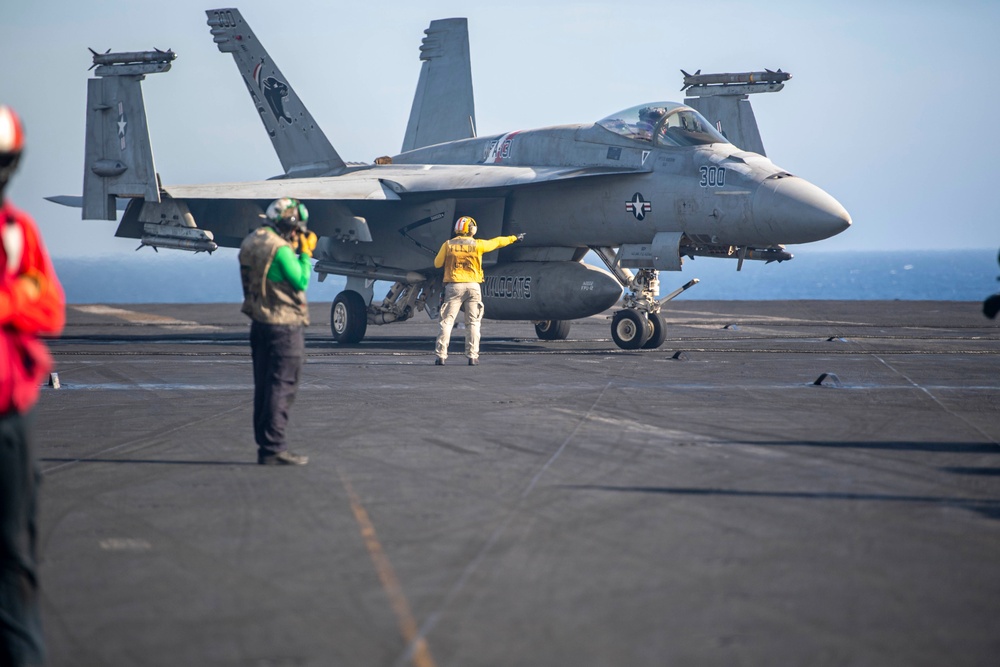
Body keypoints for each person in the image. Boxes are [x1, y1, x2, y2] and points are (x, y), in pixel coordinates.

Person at [0, 105, 65, 667]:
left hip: (9, 422)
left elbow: (50, 307)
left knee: (15, 564)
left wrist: (10, 300)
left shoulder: (19, 233)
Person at [239, 197, 317, 465]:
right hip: (284, 327)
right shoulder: (281, 249)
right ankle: (274, 448)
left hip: (260, 323)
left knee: (263, 386)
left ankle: (265, 445)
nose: (297, 233)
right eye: (296, 228)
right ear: (289, 223)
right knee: (282, 386)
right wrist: (305, 254)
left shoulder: (252, 241)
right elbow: (300, 280)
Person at [433, 216, 523, 365]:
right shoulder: (478, 245)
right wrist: (514, 238)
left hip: (454, 286)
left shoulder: (448, 245)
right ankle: (472, 357)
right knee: (473, 323)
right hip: (473, 287)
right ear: (472, 229)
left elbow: (437, 264)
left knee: (447, 322)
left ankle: (441, 356)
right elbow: (497, 242)